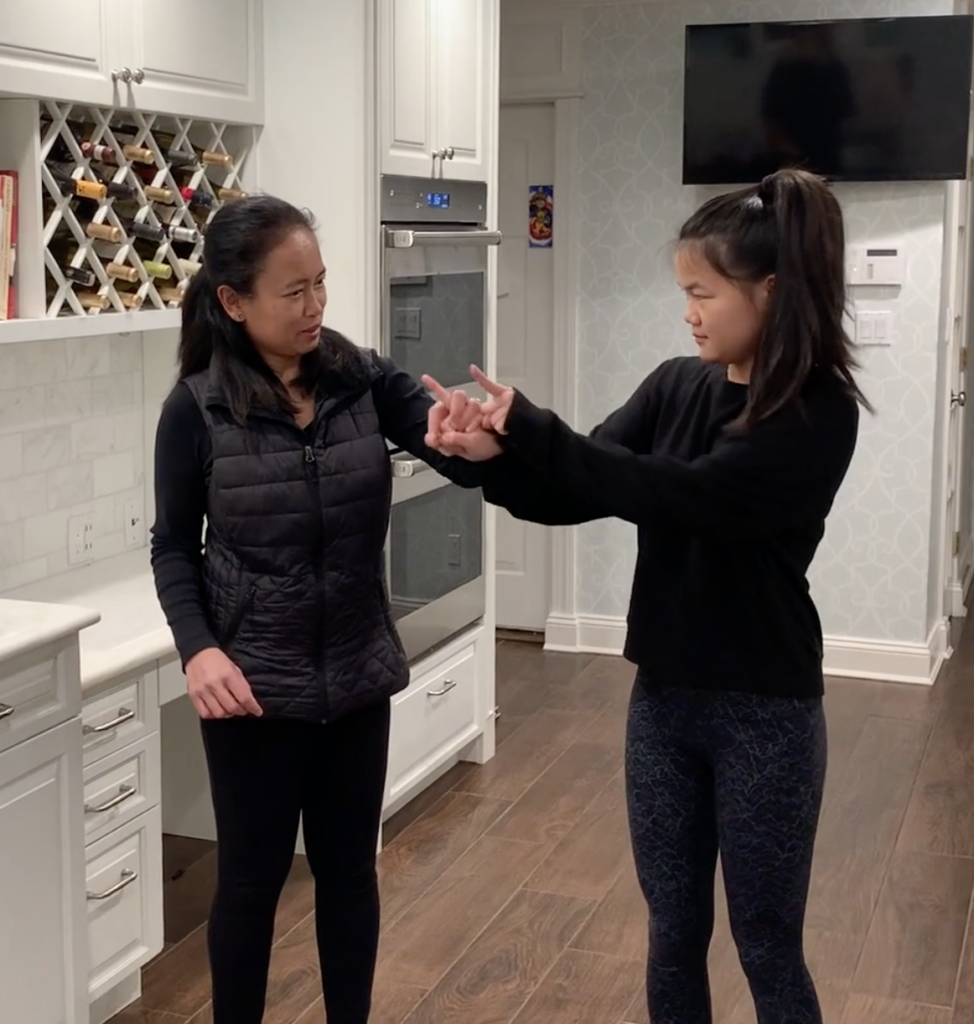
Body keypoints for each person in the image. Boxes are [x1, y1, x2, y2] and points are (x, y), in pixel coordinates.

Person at [425, 168, 869, 1024]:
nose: (688, 311)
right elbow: (581, 486)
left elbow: (680, 493)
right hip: (663, 700)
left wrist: (530, 429)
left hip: (766, 711)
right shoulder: (676, 384)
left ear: (769, 292)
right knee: (671, 928)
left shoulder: (817, 414)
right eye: (684, 293)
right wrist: (483, 455)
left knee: (767, 939)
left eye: (702, 292)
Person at [150, 194, 503, 1024]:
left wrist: (477, 441)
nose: (315, 307)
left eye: (321, 284)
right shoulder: (195, 409)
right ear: (234, 303)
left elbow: (451, 451)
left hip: (353, 672)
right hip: (253, 688)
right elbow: (173, 546)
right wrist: (200, 650)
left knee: (350, 874)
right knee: (249, 882)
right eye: (293, 290)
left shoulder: (360, 380)